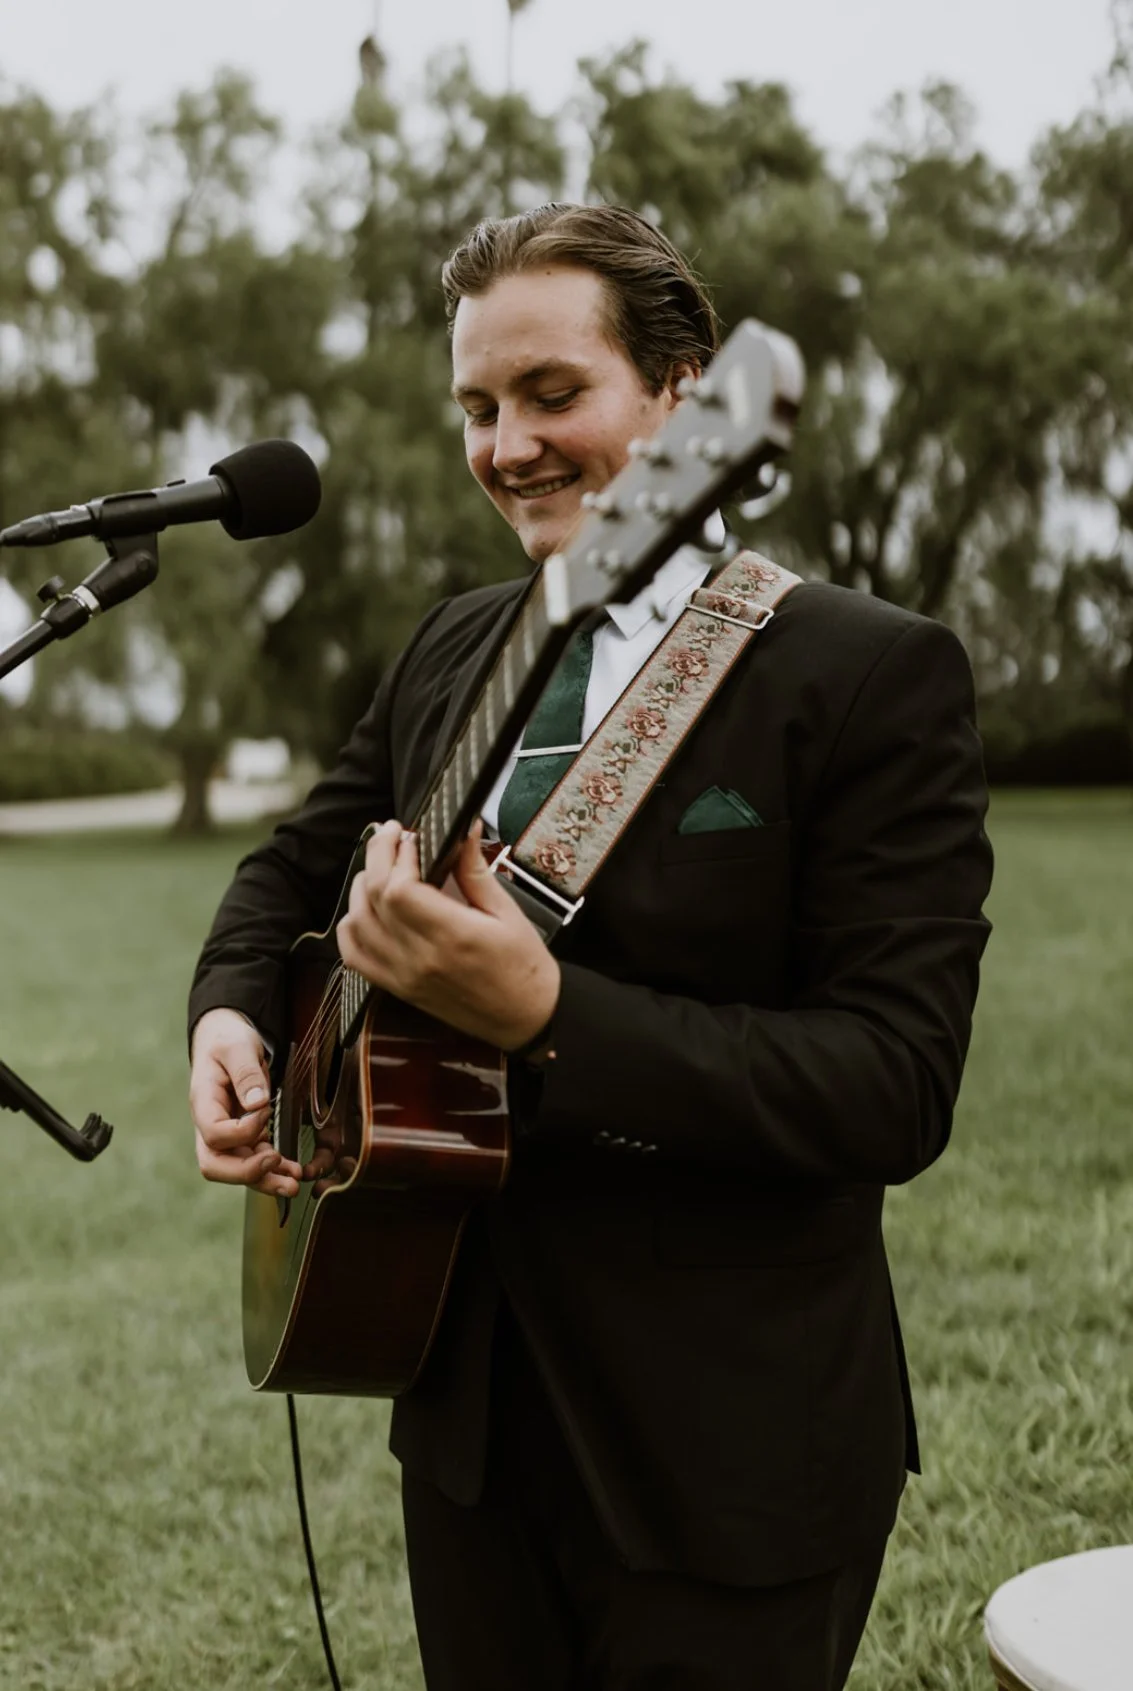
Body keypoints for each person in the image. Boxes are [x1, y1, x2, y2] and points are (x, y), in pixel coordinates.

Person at [188, 202, 993, 1691]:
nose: (508, 447)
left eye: (553, 393)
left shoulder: (867, 674)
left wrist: (548, 1011)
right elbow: (287, 871)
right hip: (465, 1416)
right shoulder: (454, 649)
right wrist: (232, 1016)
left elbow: (891, 1084)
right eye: (478, 408)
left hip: (730, 1448)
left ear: (687, 398)